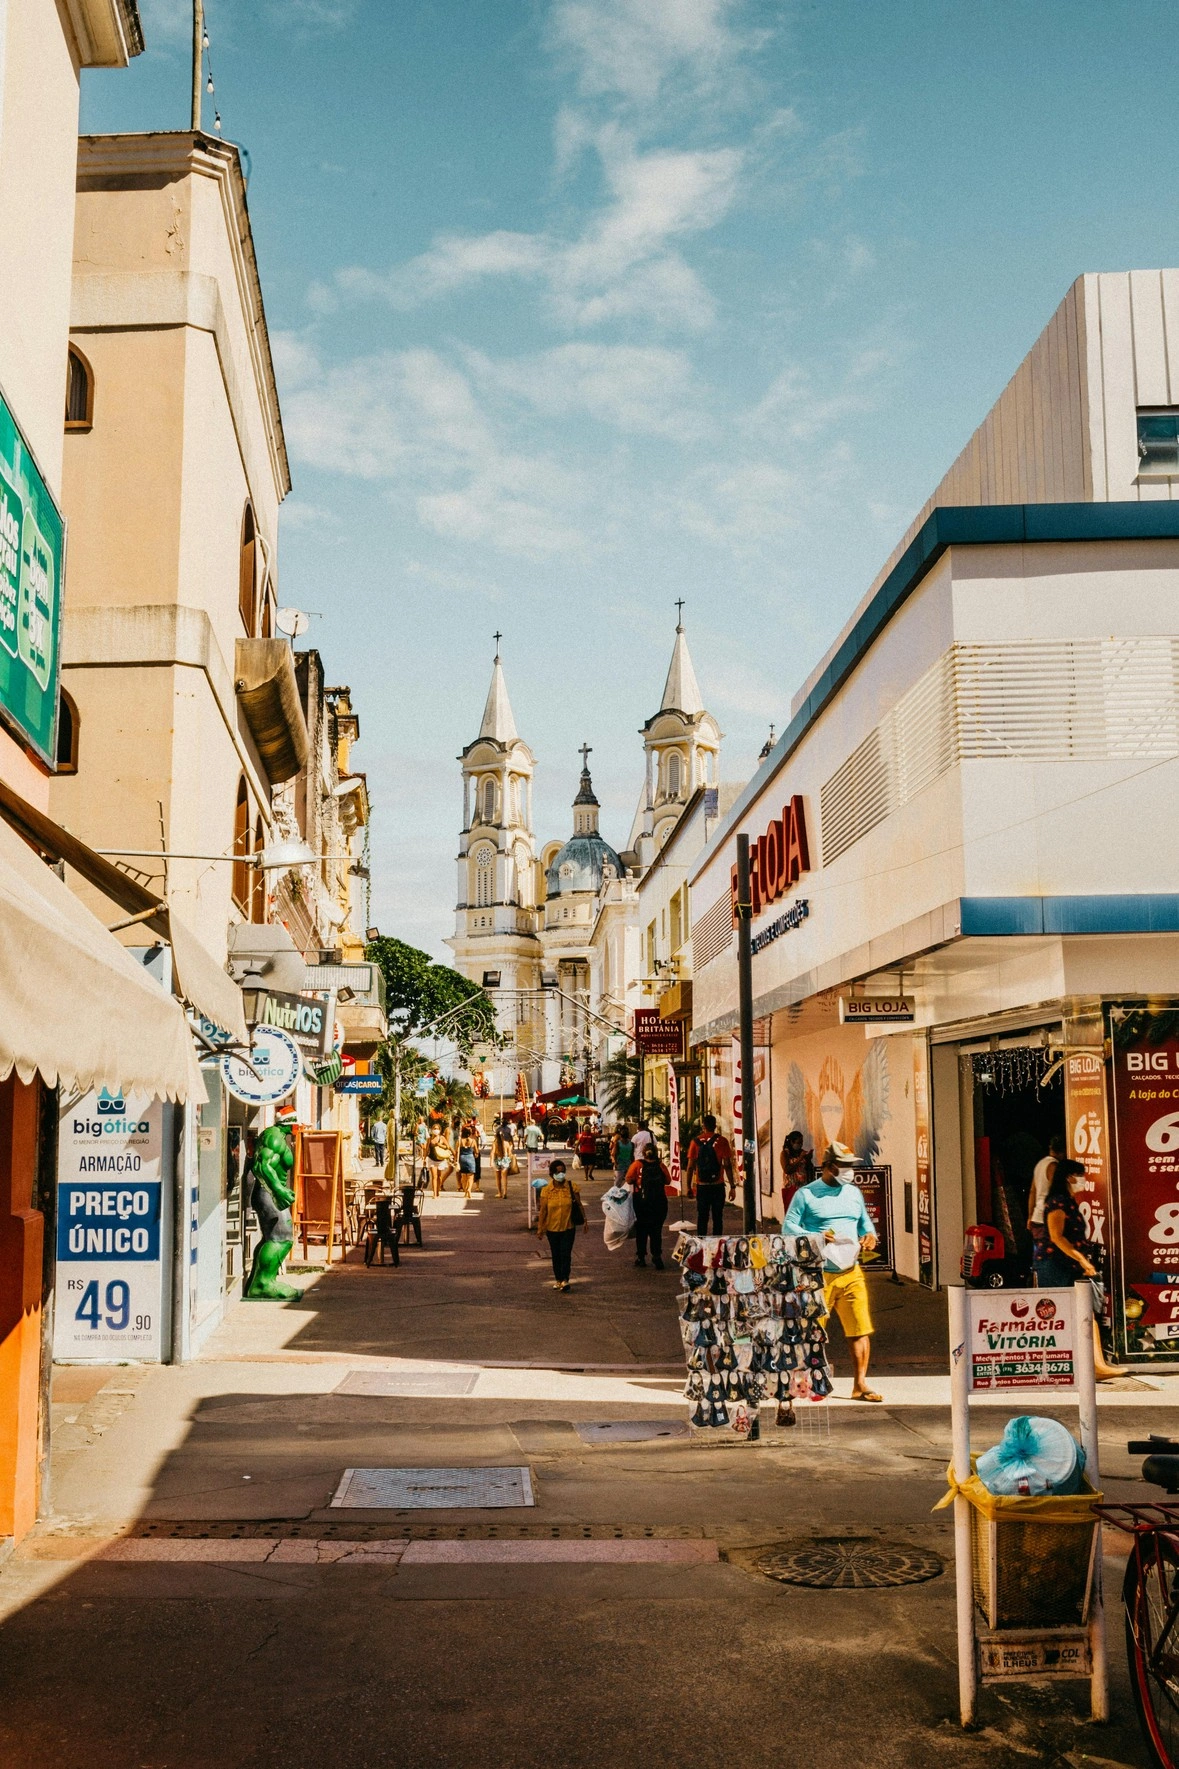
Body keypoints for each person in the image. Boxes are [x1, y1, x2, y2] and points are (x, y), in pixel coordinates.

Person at [785, 1141, 881, 1402]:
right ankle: (805, 1383)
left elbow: (865, 1224)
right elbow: (788, 1227)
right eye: (844, 1165)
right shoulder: (806, 1194)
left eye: (851, 1165)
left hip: (851, 1271)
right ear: (827, 1166)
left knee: (860, 1329)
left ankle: (860, 1384)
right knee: (812, 1332)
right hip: (818, 1274)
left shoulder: (853, 1193)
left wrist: (869, 1236)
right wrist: (815, 1236)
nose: (849, 1170)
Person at [1035, 1158, 1119, 1379]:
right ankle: (1085, 1365)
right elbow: (1056, 1236)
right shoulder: (1058, 1202)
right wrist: (1082, 1260)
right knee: (1065, 1314)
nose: (1083, 1180)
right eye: (1080, 1175)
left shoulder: (1068, 1201)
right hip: (1055, 1265)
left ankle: (1095, 1366)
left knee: (1084, 1312)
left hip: (1065, 1264)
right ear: (1069, 1177)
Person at [535, 1157, 586, 1291]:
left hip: (568, 1227)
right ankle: (558, 1279)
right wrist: (540, 1229)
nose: (561, 1174)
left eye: (563, 1171)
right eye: (558, 1172)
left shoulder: (571, 1187)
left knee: (566, 1253)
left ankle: (565, 1280)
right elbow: (543, 1211)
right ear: (552, 1174)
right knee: (556, 1254)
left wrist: (585, 1220)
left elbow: (579, 1205)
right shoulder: (546, 1190)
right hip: (552, 1229)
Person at [686, 1114, 735, 1235]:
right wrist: (732, 1186)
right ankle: (716, 1245)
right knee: (718, 1217)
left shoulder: (695, 1142)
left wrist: (688, 1187)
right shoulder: (722, 1141)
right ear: (715, 1126)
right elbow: (728, 1165)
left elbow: (690, 1166)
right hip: (717, 1185)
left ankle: (702, 1244)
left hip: (702, 1186)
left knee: (702, 1217)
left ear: (703, 1126)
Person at [627, 1142, 670, 1268]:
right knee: (656, 1230)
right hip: (659, 1202)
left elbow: (629, 1179)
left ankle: (641, 1257)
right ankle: (657, 1256)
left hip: (641, 1201)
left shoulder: (637, 1165)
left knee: (642, 1229)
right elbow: (668, 1180)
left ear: (644, 1153)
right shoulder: (660, 1165)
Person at [1028, 1133, 1066, 1241]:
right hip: (1048, 1219)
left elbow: (1032, 1192)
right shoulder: (1054, 1167)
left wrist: (1030, 1216)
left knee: (1040, 1254)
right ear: (1063, 1151)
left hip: (1037, 1218)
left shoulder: (1040, 1164)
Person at [779, 1129, 812, 1219]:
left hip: (802, 1188)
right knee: (792, 1215)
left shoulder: (802, 1152)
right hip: (790, 1188)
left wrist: (808, 1159)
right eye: (798, 1142)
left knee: (803, 1215)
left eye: (801, 1142)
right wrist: (800, 1158)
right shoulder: (785, 1154)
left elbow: (809, 1169)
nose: (800, 1145)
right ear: (792, 1142)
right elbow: (787, 1169)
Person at [425, 1126, 454, 1198]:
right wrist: (424, 1158)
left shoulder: (442, 1138)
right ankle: (434, 1193)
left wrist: (439, 1145)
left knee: (439, 1176)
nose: (435, 1130)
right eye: (434, 1129)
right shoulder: (430, 1139)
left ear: (440, 1130)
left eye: (437, 1129)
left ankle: (438, 1191)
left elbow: (447, 1147)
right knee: (434, 1176)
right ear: (432, 1130)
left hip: (440, 1160)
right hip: (432, 1159)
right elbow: (427, 1149)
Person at [457, 1123, 479, 1199]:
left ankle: (465, 1191)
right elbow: (476, 1152)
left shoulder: (460, 1141)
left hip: (462, 1158)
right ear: (470, 1134)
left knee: (463, 1176)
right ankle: (469, 1189)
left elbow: (457, 1151)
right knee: (470, 1176)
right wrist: (475, 1155)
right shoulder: (473, 1141)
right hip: (470, 1158)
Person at [492, 1124, 513, 1199]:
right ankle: (505, 1192)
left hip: (498, 1159)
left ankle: (499, 1193)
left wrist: (491, 1162)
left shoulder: (495, 1143)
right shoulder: (507, 1143)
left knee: (498, 1178)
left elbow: (492, 1153)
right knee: (504, 1178)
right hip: (505, 1160)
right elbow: (510, 1153)